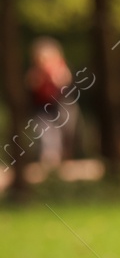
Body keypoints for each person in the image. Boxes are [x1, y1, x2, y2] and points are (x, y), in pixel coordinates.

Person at [25, 37, 76, 174]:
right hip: (43, 107)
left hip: (62, 105)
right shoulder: (35, 71)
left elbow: (65, 83)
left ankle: (65, 157)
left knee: (67, 129)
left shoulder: (61, 67)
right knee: (46, 132)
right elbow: (31, 85)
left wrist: (54, 77)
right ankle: (50, 158)